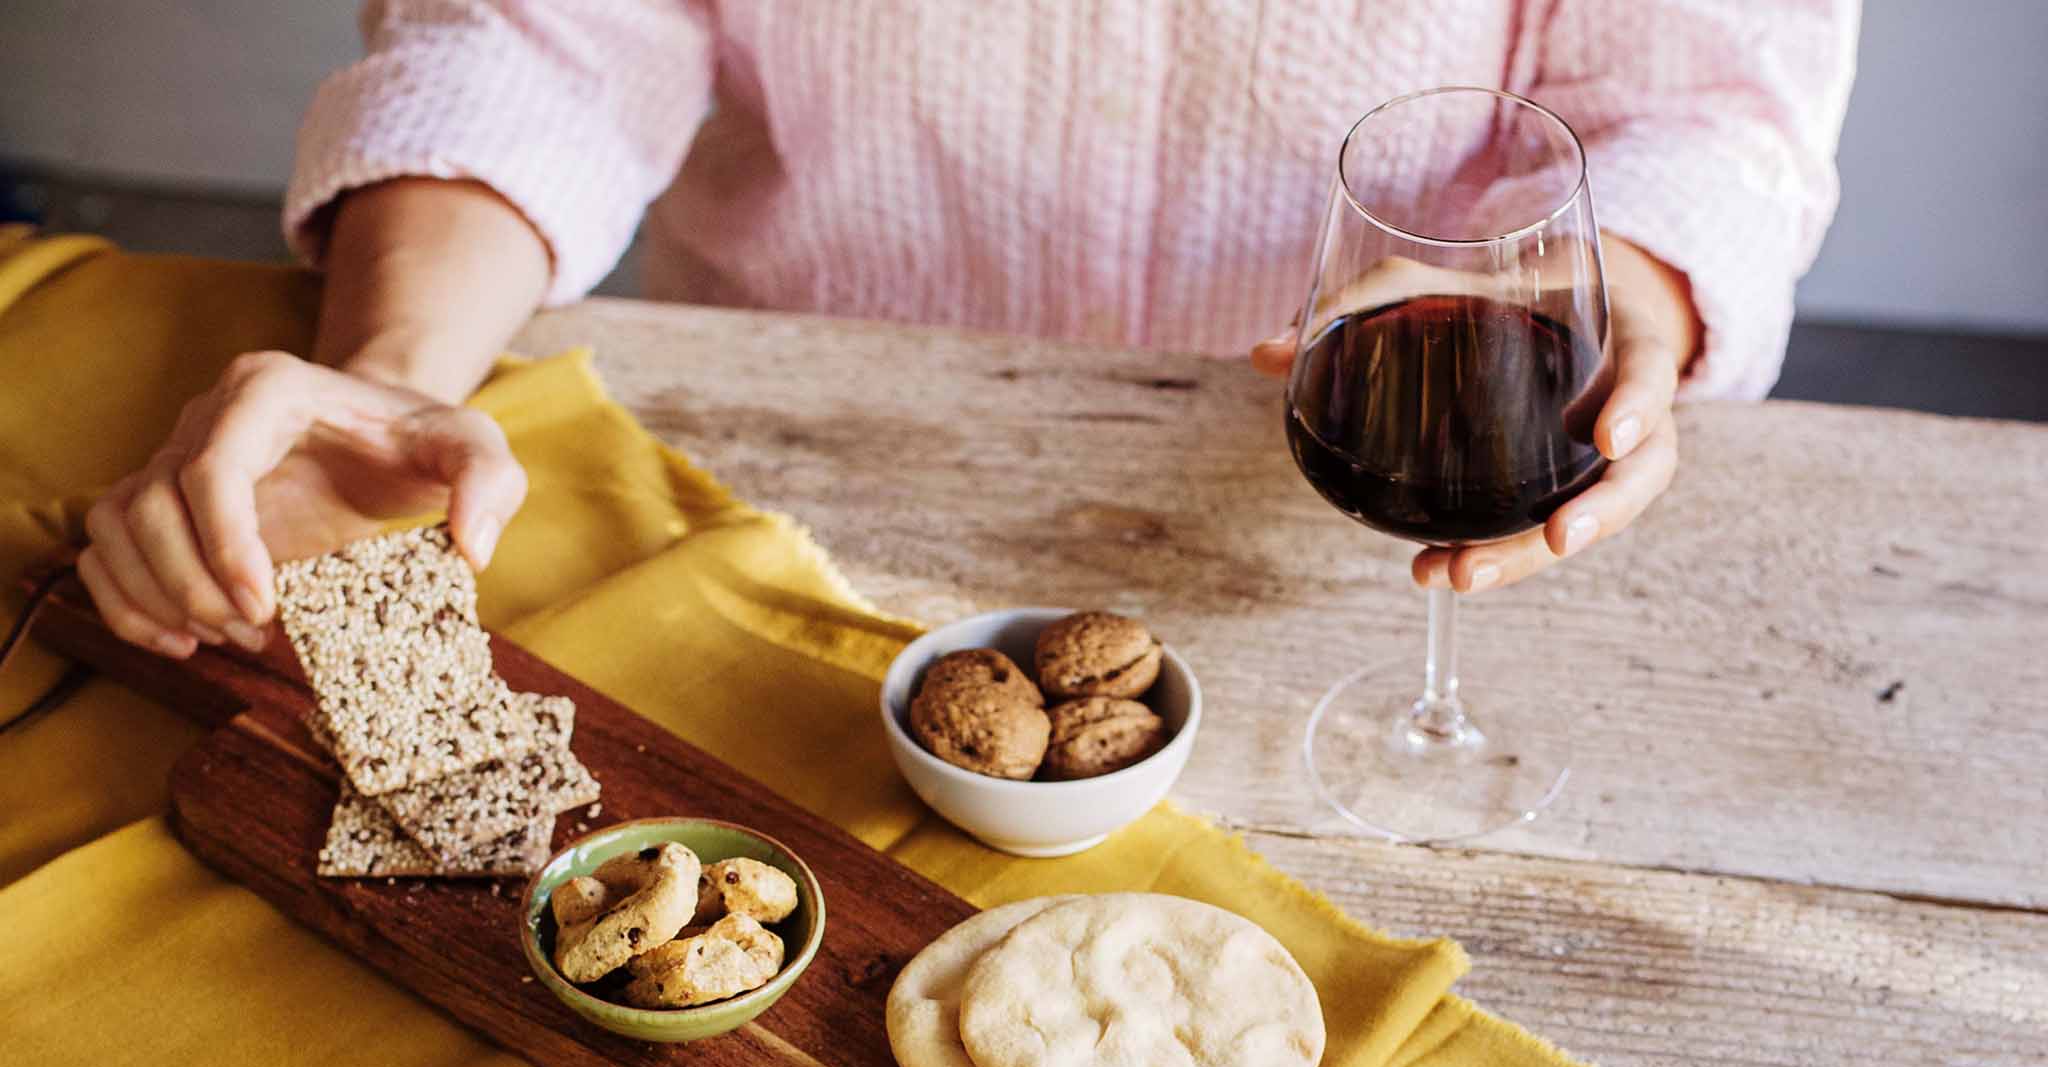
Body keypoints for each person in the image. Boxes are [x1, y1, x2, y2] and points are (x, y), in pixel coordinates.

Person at [76, 0, 1855, 657]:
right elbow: (540, 37)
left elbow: (1707, 97)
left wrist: (1621, 293)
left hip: (1332, 531)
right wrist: (389, 377)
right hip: (797, 494)